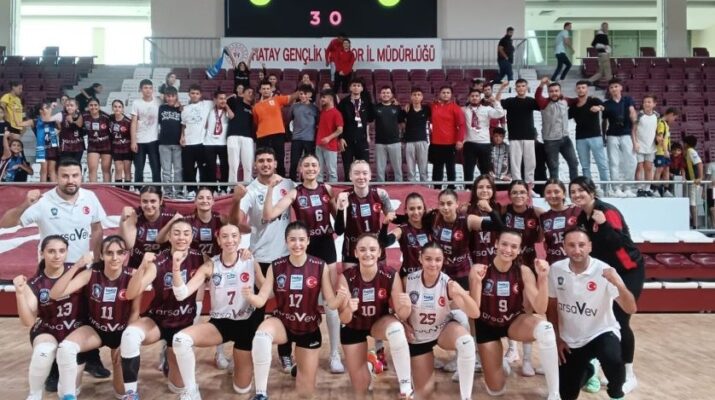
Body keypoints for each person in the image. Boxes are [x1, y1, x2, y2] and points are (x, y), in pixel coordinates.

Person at [0, 157, 109, 387]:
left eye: (75, 175)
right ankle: (52, 368)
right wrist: (25, 204)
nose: (71, 180)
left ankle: (91, 358)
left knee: (87, 315)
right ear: (56, 176)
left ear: (81, 176)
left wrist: (98, 261)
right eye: (65, 176)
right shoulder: (43, 202)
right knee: (52, 318)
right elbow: (6, 223)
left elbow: (97, 229)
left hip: (82, 270)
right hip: (53, 271)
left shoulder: (90, 197)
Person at [262, 154, 345, 373]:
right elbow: (269, 214)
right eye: (306, 165)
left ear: (319, 168)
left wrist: (342, 208)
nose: (310, 168)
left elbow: (339, 227)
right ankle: (288, 350)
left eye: (313, 165)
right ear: (300, 169)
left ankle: (334, 354)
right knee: (295, 299)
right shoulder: (295, 192)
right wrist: (270, 189)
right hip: (303, 247)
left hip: (326, 246)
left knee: (330, 302)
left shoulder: (327, 189)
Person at [244, 222, 346, 400]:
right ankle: (261, 393)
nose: (297, 244)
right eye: (292, 240)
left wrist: (341, 298)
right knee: (261, 336)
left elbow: (330, 302)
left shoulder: (319, 265)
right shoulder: (276, 266)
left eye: (301, 240)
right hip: (283, 322)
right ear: (286, 241)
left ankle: (301, 367)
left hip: (308, 327)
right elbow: (262, 300)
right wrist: (249, 296)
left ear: (308, 241)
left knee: (305, 392)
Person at [569, 176, 645, 394]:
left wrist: (603, 225)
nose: (577, 195)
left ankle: (628, 375)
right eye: (573, 192)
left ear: (592, 192)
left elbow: (618, 242)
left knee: (620, 320)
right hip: (605, 273)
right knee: (600, 321)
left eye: (581, 190)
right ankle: (603, 370)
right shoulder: (582, 217)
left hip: (628, 271)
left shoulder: (607, 211)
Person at [172, 224, 261, 400]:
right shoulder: (210, 265)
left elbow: (267, 291)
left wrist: (256, 297)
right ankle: (191, 390)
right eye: (225, 236)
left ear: (240, 239)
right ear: (219, 241)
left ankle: (239, 361)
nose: (230, 240)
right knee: (180, 340)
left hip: (247, 325)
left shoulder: (250, 261)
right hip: (220, 324)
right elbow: (181, 294)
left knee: (241, 389)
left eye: (234, 236)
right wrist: (176, 268)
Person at [118, 219, 205, 398]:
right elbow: (131, 293)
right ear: (169, 237)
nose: (181, 237)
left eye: (186, 233)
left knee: (177, 387)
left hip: (182, 323)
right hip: (158, 320)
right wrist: (142, 266)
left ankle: (168, 354)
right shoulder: (158, 261)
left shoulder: (201, 258)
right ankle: (131, 393)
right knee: (129, 336)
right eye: (176, 233)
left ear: (192, 237)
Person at [547, 228, 637, 400]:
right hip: (571, 339)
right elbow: (551, 307)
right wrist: (557, 338)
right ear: (564, 247)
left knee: (612, 358)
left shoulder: (605, 270)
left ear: (590, 246)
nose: (577, 250)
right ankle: (589, 370)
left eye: (581, 245)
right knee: (567, 394)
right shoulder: (556, 269)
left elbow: (631, 308)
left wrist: (618, 283)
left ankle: (616, 392)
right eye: (571, 245)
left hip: (601, 331)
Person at [473, 230, 560, 400]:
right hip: (487, 325)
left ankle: (554, 393)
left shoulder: (523, 271)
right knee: (496, 390)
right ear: (496, 244)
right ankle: (499, 362)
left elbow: (540, 308)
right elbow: (474, 310)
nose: (508, 249)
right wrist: (476, 282)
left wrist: (543, 278)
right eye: (504, 244)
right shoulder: (480, 269)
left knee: (546, 329)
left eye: (514, 246)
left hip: (513, 321)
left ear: (519, 249)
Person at [51, 236, 140, 399]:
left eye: (120, 253)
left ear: (126, 255)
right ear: (101, 255)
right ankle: (69, 396)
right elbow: (55, 294)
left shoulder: (133, 275)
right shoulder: (90, 274)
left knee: (121, 393)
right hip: (95, 329)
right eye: (109, 253)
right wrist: (76, 266)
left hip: (121, 332)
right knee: (66, 349)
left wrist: (126, 341)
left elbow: (135, 312)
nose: (115, 258)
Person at [233, 147, 296, 373]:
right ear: (255, 165)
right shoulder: (250, 190)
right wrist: (237, 201)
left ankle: (285, 354)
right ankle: (254, 355)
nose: (266, 164)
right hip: (259, 257)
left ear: (276, 163)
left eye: (269, 160)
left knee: (286, 308)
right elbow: (237, 222)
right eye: (261, 161)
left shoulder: (288, 184)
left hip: (286, 256)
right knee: (256, 309)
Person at [336, 234, 413, 398]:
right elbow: (344, 319)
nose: (367, 254)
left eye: (372, 249)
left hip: (379, 321)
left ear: (379, 252)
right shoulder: (346, 277)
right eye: (362, 250)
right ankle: (371, 364)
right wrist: (348, 309)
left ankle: (406, 386)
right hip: (353, 326)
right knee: (362, 387)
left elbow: (401, 313)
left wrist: (406, 307)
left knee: (396, 330)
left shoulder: (390, 275)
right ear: (355, 253)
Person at [14, 236, 86, 400]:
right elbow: (28, 322)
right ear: (42, 253)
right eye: (51, 251)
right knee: (43, 352)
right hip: (48, 329)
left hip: (75, 331)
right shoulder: (35, 283)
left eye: (61, 251)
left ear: (67, 252)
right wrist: (19, 294)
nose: (57, 256)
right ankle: (34, 394)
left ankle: (66, 389)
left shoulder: (78, 271)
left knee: (69, 391)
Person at [405, 242, 479, 400]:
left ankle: (466, 397)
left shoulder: (448, 284)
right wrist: (404, 324)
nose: (433, 264)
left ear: (443, 260)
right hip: (418, 338)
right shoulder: (408, 281)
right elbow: (395, 309)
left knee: (466, 342)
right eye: (428, 259)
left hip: (442, 331)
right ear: (420, 258)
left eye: (438, 260)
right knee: (423, 394)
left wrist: (462, 293)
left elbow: (475, 313)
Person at [431, 188, 503, 288]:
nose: (445, 207)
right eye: (442, 204)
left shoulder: (467, 220)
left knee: (464, 297)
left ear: (457, 204)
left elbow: (498, 226)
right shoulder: (433, 218)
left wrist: (489, 209)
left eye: (449, 203)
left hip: (463, 271)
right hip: (442, 271)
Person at [334, 160, 395, 269]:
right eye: (356, 173)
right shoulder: (344, 196)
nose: (361, 177)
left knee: (380, 278)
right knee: (351, 279)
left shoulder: (380, 194)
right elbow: (339, 231)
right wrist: (341, 209)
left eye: (365, 173)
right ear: (350, 176)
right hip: (352, 248)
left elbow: (394, 218)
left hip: (375, 246)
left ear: (370, 176)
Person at [119, 185, 178, 269]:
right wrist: (123, 221)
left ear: (161, 201)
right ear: (140, 201)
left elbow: (162, 240)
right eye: (145, 201)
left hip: (164, 266)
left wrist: (171, 222)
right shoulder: (135, 215)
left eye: (153, 201)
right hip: (138, 264)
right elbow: (128, 245)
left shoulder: (171, 216)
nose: (149, 205)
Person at [462, 82, 508, 185]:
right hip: (470, 143)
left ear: (480, 97)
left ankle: (486, 189)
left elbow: (500, 113)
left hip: (485, 144)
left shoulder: (487, 109)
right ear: (469, 98)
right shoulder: (464, 110)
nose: (474, 98)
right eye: (472, 96)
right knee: (468, 170)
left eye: (477, 96)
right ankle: (468, 189)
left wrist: (495, 102)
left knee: (485, 171)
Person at [501, 79, 540, 196]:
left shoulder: (531, 101)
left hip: (529, 136)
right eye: (519, 86)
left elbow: (543, 104)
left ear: (526, 87)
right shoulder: (510, 101)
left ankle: (529, 188)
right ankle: (517, 187)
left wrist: (543, 85)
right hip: (514, 137)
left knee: (531, 163)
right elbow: (496, 102)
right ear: (515, 88)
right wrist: (502, 87)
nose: (521, 88)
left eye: (523, 86)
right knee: (515, 164)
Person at [535, 79, 579, 181]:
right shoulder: (544, 103)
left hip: (565, 139)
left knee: (574, 163)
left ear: (560, 91)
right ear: (548, 92)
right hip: (551, 141)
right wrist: (542, 84)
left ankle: (575, 185)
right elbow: (537, 96)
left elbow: (577, 100)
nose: (554, 93)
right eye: (551, 91)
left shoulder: (565, 101)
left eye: (556, 91)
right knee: (553, 167)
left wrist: (592, 100)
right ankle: (554, 187)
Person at [253, 82, 299, 177]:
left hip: (278, 134)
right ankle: (263, 181)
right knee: (262, 159)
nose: (266, 90)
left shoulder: (277, 99)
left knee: (279, 159)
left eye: (267, 88)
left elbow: (291, 98)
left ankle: (281, 181)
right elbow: (256, 122)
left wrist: (301, 90)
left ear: (271, 90)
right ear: (260, 90)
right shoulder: (256, 106)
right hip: (262, 136)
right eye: (263, 89)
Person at [569, 81, 608, 192]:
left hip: (595, 137)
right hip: (580, 138)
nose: (581, 90)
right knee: (585, 166)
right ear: (576, 90)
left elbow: (605, 106)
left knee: (602, 164)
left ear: (587, 89)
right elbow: (565, 116)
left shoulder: (593, 100)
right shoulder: (574, 106)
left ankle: (606, 189)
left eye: (583, 87)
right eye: (579, 88)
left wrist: (599, 108)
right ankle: (589, 189)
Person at [602, 78, 637, 197]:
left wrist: (633, 117)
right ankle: (616, 188)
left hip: (626, 133)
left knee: (631, 161)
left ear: (621, 87)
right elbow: (604, 121)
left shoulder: (627, 100)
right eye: (611, 87)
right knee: (613, 162)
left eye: (616, 86)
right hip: (612, 135)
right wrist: (603, 136)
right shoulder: (606, 104)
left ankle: (628, 187)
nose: (614, 89)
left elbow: (632, 110)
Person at [337, 78, 374, 181]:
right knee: (347, 167)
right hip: (347, 140)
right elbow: (339, 122)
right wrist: (340, 138)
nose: (356, 87)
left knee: (364, 166)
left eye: (358, 85)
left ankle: (364, 188)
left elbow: (371, 119)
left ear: (362, 88)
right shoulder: (344, 103)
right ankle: (348, 187)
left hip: (362, 139)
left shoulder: (366, 102)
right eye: (354, 85)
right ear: (350, 87)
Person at [430, 86, 466, 188]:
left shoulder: (455, 108)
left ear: (451, 95)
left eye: (448, 93)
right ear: (439, 94)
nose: (445, 94)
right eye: (443, 92)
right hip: (436, 143)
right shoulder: (433, 106)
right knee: (437, 167)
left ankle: (451, 188)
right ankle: (436, 189)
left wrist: (460, 140)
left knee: (450, 167)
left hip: (450, 143)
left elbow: (462, 125)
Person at [181, 84, 213, 197]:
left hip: (201, 142)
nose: (195, 95)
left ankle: (203, 190)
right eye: (192, 93)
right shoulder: (185, 109)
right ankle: (191, 190)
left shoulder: (207, 104)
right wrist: (182, 137)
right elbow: (183, 125)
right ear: (189, 94)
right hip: (188, 143)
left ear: (200, 95)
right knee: (188, 169)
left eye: (197, 93)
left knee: (203, 168)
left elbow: (222, 99)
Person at [540, 178, 581, 265]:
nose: (553, 195)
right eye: (548, 192)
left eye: (556, 191)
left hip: (576, 263)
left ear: (564, 194)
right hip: (554, 264)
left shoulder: (577, 211)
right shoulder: (543, 217)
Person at [130, 79, 162, 183]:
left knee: (156, 167)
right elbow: (133, 122)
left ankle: (157, 189)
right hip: (140, 140)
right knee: (139, 168)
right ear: (141, 89)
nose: (148, 90)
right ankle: (138, 188)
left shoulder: (158, 101)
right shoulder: (136, 103)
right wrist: (133, 141)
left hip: (154, 140)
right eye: (145, 88)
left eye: (150, 88)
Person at [202, 90, 234, 194]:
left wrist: (227, 106)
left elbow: (232, 116)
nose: (223, 100)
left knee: (224, 166)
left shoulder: (227, 111)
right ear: (215, 100)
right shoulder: (209, 110)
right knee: (211, 167)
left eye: (224, 98)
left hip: (223, 143)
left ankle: (224, 188)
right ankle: (213, 189)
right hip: (209, 143)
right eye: (220, 98)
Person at [468, 174, 501, 265]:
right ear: (475, 190)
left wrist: (489, 209)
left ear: (493, 190)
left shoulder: (499, 208)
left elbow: (502, 229)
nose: (484, 190)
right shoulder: (467, 209)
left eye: (488, 187)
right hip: (474, 257)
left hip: (495, 257)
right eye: (480, 187)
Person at [374, 86, 404, 182]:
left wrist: (402, 137)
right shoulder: (375, 108)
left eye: (388, 93)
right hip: (380, 142)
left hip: (395, 142)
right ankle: (380, 185)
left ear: (391, 95)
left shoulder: (397, 107)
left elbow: (402, 123)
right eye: (383, 93)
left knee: (397, 167)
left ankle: (399, 185)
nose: (385, 95)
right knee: (380, 168)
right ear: (380, 95)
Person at [288, 85, 318, 181]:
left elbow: (318, 123)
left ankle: (306, 181)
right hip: (296, 138)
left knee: (308, 162)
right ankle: (292, 182)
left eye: (305, 94)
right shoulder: (294, 106)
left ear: (310, 94)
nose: (302, 96)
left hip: (310, 139)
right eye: (301, 94)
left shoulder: (314, 108)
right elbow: (289, 120)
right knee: (294, 162)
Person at [226, 86, 256, 184]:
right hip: (233, 135)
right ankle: (232, 187)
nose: (250, 94)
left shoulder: (253, 108)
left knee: (248, 164)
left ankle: (248, 185)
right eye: (248, 92)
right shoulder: (235, 102)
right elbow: (222, 101)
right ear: (243, 94)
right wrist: (231, 96)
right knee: (233, 164)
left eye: (252, 93)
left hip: (248, 137)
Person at [158, 86, 184, 198]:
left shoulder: (181, 109)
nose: (170, 98)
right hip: (164, 143)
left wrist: (181, 106)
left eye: (173, 96)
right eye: (168, 96)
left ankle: (178, 191)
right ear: (165, 97)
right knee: (166, 170)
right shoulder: (161, 108)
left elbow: (184, 124)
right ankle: (167, 191)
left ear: (176, 96)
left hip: (178, 143)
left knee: (178, 169)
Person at [400, 87, 430, 182]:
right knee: (410, 168)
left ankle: (424, 185)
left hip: (422, 140)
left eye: (418, 95)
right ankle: (411, 185)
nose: (416, 97)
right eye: (414, 95)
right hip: (409, 141)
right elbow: (400, 122)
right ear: (411, 97)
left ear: (422, 97)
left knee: (423, 167)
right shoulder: (406, 109)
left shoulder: (426, 109)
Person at [632, 95, 659, 197]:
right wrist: (635, 142)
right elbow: (633, 130)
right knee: (639, 167)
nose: (646, 104)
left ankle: (647, 188)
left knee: (649, 167)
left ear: (654, 104)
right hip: (640, 145)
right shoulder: (639, 115)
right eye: (645, 102)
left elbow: (657, 130)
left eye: (649, 102)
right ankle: (639, 188)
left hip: (651, 146)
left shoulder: (657, 116)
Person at [315, 89, 343, 183]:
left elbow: (340, 130)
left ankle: (333, 190)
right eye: (321, 98)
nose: (321, 100)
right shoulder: (322, 112)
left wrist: (328, 138)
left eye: (323, 97)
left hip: (330, 146)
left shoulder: (336, 113)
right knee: (318, 171)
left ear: (331, 99)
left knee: (332, 172)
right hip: (319, 145)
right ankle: (319, 189)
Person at [84, 98, 112, 183]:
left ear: (99, 106)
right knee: (92, 170)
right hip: (93, 146)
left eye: (95, 105)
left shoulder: (106, 117)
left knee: (106, 170)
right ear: (88, 107)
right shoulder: (84, 116)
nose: (93, 107)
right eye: (91, 105)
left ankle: (107, 189)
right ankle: (94, 189)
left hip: (106, 145)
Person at [653, 108, 679, 197]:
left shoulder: (666, 124)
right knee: (659, 170)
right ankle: (655, 189)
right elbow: (660, 138)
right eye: (674, 118)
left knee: (666, 170)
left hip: (665, 152)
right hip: (660, 152)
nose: (674, 120)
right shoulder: (661, 123)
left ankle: (666, 190)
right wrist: (665, 150)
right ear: (671, 114)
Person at [33, 100, 60, 182]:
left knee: (52, 170)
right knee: (44, 170)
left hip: (52, 146)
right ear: (40, 111)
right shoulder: (36, 121)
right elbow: (45, 120)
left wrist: (58, 130)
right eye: (46, 108)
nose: (48, 109)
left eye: (48, 108)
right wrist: (51, 107)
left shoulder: (53, 120)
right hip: (42, 147)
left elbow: (60, 128)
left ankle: (54, 188)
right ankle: (43, 188)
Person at [109, 100, 133, 186]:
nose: (117, 109)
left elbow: (132, 135)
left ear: (123, 109)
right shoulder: (110, 119)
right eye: (115, 107)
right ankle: (118, 191)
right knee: (118, 170)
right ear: (112, 108)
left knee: (127, 170)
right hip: (116, 148)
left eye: (119, 107)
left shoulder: (128, 121)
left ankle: (126, 192)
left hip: (127, 149)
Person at [683, 135, 704, 228]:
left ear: (686, 144)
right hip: (690, 181)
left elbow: (699, 164)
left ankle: (695, 225)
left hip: (694, 181)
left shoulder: (690, 151)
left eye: (683, 143)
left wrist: (700, 177)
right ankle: (692, 223)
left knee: (692, 202)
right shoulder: (687, 152)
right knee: (690, 202)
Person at [58, 100, 85, 165]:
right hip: (65, 146)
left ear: (77, 107)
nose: (69, 107)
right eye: (67, 106)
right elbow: (59, 130)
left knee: (76, 165)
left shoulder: (81, 115)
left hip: (78, 145)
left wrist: (72, 121)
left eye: (71, 105)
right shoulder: (61, 115)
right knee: (65, 165)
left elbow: (80, 125)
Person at [588, 22, 613, 87]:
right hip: (604, 55)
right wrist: (605, 47)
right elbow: (604, 46)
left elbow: (593, 44)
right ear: (602, 27)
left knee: (600, 72)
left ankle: (589, 81)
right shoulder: (602, 35)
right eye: (606, 27)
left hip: (600, 55)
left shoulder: (598, 35)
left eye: (607, 27)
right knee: (607, 71)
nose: (607, 28)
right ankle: (611, 84)